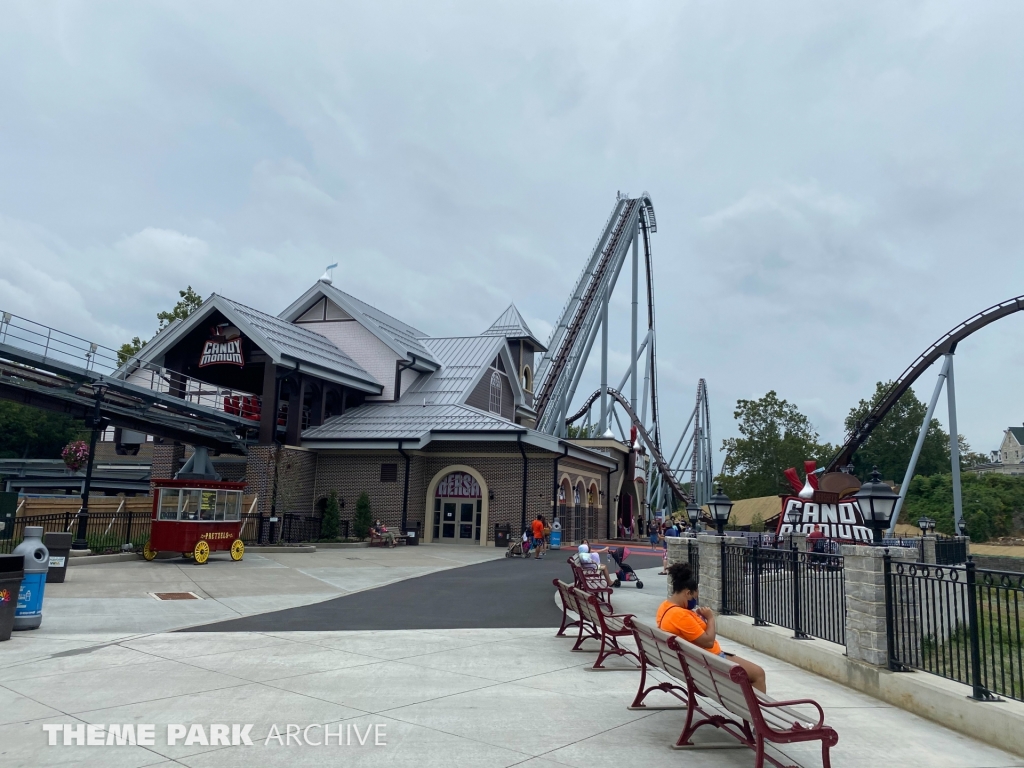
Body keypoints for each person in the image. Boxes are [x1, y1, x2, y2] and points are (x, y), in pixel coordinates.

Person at [658, 562, 766, 693]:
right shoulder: (680, 615)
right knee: (758, 674)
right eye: (694, 597)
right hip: (708, 664)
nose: (694, 601)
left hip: (692, 663)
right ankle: (756, 713)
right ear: (687, 593)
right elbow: (708, 642)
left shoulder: (665, 607)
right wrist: (710, 618)